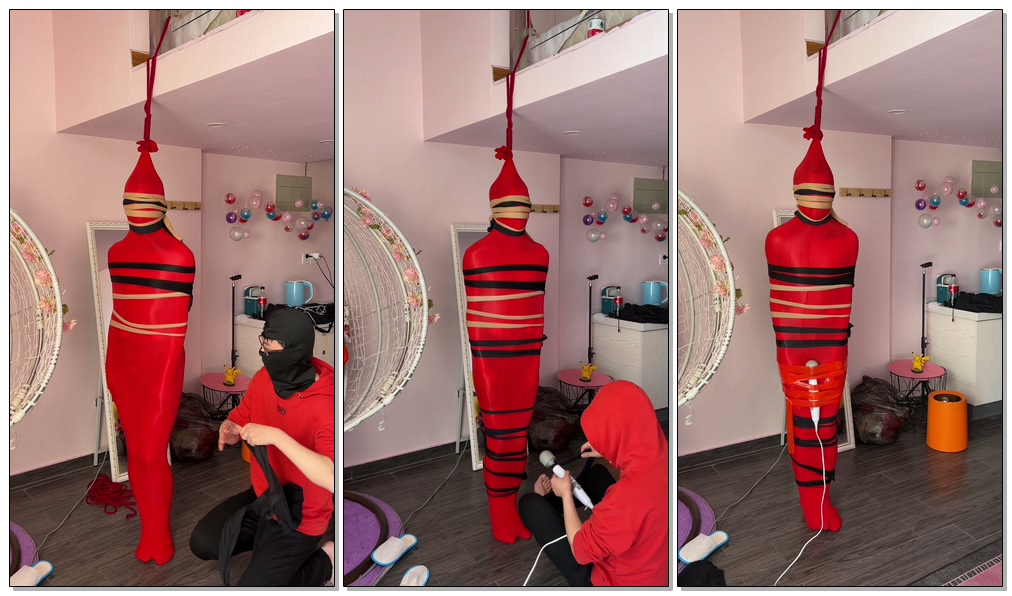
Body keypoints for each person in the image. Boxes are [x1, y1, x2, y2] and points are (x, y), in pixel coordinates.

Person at [765, 39, 857, 532]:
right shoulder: (846, 238)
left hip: (803, 347)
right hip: (816, 346)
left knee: (815, 423)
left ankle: (818, 505)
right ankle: (816, 507)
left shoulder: (778, 239)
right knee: (816, 424)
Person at [189, 306, 335, 586]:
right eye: (263, 344)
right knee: (203, 542)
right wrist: (229, 429)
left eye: (270, 348)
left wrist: (277, 436)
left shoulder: (326, 404)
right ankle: (267, 553)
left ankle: (326, 562)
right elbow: (240, 417)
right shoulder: (264, 378)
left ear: (294, 350)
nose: (263, 353)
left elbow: (331, 477)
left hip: (301, 517)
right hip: (264, 498)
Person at [106, 140, 195, 566]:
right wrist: (113, 370)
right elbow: (118, 316)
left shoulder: (180, 255)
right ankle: (150, 529)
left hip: (161, 367)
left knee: (150, 451)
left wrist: (163, 383)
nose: (135, 211)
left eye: (142, 202)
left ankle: (158, 535)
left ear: (160, 206)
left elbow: (176, 332)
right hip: (123, 362)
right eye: (130, 202)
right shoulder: (116, 253)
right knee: (137, 454)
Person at [518, 381, 669, 586]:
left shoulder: (626, 498)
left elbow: (581, 552)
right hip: (652, 565)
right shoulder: (664, 457)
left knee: (530, 503)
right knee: (597, 474)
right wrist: (608, 447)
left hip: (614, 583)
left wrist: (567, 496)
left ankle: (547, 500)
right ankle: (551, 500)